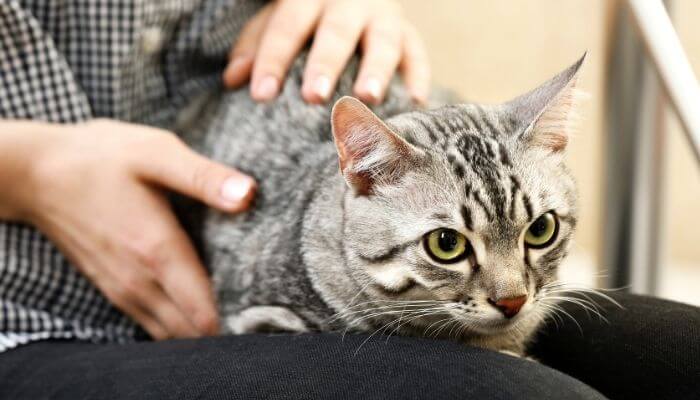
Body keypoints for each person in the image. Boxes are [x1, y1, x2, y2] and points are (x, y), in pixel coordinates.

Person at [0, 1, 698, 399]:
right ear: (360, 181)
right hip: (28, 310)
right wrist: (26, 170)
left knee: (684, 356)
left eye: (540, 231)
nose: (513, 289)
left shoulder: (490, 264)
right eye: (449, 244)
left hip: (333, 132)